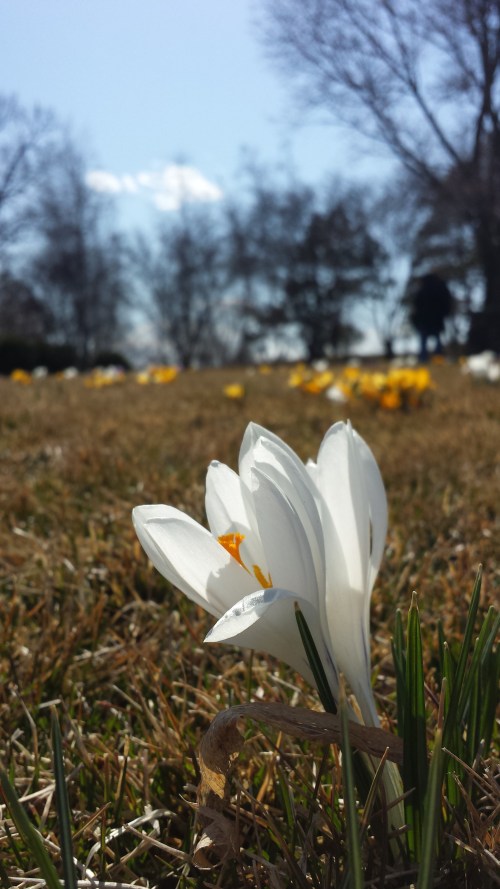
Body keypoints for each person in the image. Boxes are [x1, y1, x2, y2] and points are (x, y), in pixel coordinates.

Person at [410, 273, 453, 362]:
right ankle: (437, 357)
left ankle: (425, 358)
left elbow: (416, 306)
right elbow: (447, 304)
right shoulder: (440, 289)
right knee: (436, 338)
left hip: (426, 320)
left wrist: (415, 319)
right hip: (436, 320)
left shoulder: (422, 291)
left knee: (425, 339)